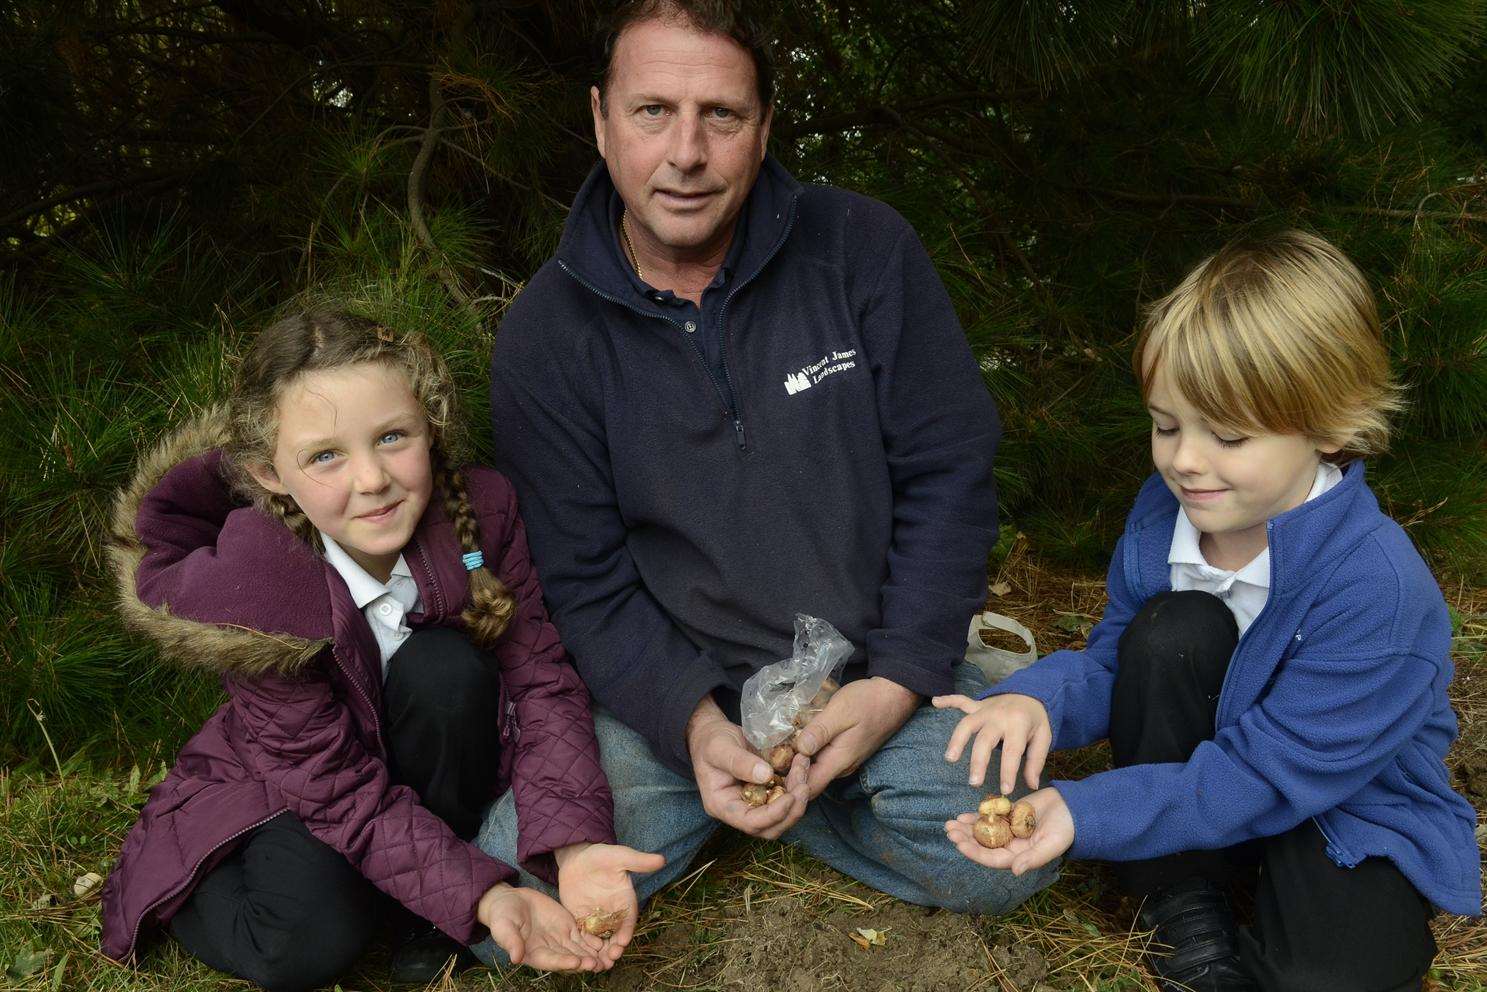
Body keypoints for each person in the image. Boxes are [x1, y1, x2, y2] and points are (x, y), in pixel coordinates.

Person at [477, 0, 1055, 918]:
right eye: (652, 111)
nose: (686, 154)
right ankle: (767, 796)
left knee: (1012, 851)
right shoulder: (545, 338)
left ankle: (818, 787)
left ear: (764, 127)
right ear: (599, 119)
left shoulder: (861, 249)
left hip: (871, 672)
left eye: (722, 116)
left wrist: (900, 681)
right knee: (516, 896)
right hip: (675, 703)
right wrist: (694, 728)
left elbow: (947, 475)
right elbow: (583, 584)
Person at [938, 231, 1482, 992]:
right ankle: (1177, 884)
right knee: (1171, 630)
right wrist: (1039, 699)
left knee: (1340, 974)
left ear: (1328, 427)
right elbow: (1115, 658)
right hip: (1200, 779)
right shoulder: (1167, 511)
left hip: (1336, 802)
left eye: (1226, 434)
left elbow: (1267, 774)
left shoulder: (1377, 589)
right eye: (1166, 425)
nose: (1184, 460)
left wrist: (1081, 810)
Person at [99, 310, 665, 991]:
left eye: (392, 437)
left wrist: (574, 843)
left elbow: (541, 683)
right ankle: (199, 869)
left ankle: (425, 906)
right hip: (306, 779)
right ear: (269, 471)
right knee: (304, 948)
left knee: (446, 668)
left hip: (422, 756)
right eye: (325, 455)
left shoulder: (480, 513)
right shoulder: (251, 583)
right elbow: (331, 789)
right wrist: (482, 894)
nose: (371, 480)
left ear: (429, 427)